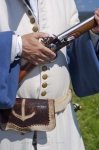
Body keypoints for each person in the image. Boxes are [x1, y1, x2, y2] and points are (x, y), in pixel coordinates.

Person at [0, 0, 99, 150]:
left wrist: (93, 32)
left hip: (62, 126)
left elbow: (73, 51)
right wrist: (16, 45)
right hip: (6, 131)